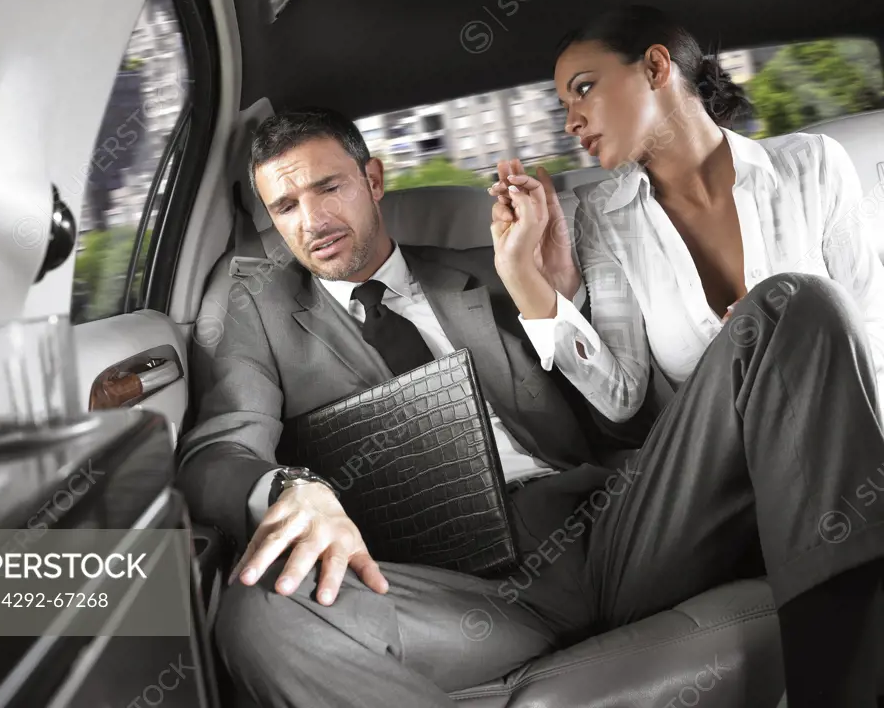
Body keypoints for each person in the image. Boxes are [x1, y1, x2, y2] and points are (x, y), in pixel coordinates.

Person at [177, 107, 884, 708]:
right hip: (453, 597)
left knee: (792, 303)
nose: (311, 221)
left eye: (328, 187)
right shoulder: (260, 317)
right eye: (285, 207)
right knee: (257, 608)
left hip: (614, 535)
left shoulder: (491, 270)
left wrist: (555, 297)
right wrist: (289, 489)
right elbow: (217, 453)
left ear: (373, 178)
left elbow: (624, 421)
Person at [489, 4, 884, 424]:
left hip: (843, 428)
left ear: (656, 67)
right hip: (724, 466)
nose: (570, 123)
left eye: (583, 89)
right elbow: (620, 397)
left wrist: (792, 344)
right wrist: (522, 275)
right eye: (564, 104)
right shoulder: (605, 220)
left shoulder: (813, 165)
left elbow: (875, 331)